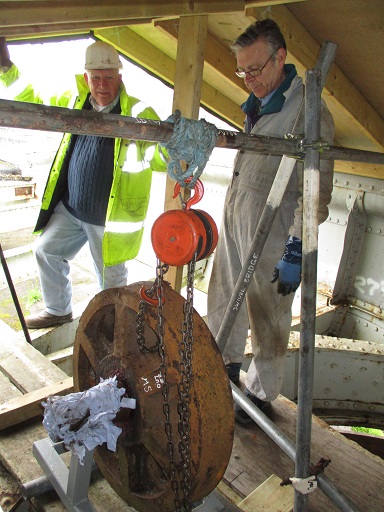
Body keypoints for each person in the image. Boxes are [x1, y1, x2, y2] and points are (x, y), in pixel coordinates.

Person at [207, 19, 334, 423]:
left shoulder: (309, 112)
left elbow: (318, 189)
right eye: (241, 71)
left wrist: (298, 244)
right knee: (223, 295)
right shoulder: (259, 104)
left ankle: (260, 395)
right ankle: (221, 369)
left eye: (255, 69)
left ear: (280, 57)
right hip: (236, 215)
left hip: (275, 229)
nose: (248, 79)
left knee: (268, 314)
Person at [0, 39, 166, 329]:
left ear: (120, 77)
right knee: (46, 250)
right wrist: (6, 69)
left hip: (109, 219)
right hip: (72, 208)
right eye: (96, 77)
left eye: (109, 77)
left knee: (111, 285)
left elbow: (162, 159)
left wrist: (178, 143)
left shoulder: (139, 113)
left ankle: (114, 332)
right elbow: (32, 103)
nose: (103, 85)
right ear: (86, 78)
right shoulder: (74, 101)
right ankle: (58, 309)